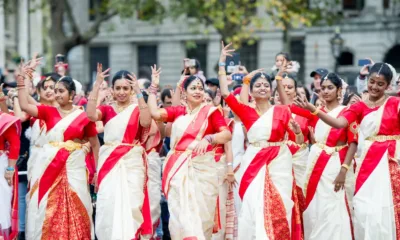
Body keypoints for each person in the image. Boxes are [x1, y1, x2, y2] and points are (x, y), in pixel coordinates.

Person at [295, 63, 400, 239]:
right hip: (367, 164)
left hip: (389, 163)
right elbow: (339, 123)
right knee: (364, 210)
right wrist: (313, 109)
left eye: (380, 84)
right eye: (372, 81)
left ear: (388, 85)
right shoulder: (358, 106)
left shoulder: (395, 104)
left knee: (387, 209)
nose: (374, 87)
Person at [218, 42, 303, 239]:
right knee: (254, 204)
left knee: (279, 205)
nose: (263, 88)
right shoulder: (245, 111)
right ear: (252, 89)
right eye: (258, 85)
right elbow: (225, 93)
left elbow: (297, 140)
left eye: (266, 85)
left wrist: (298, 132)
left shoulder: (281, 110)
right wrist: (222, 63)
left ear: (271, 89)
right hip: (254, 161)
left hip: (279, 163)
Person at [147, 64, 232, 239]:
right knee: (179, 217)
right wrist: (154, 87)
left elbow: (226, 134)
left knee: (201, 217)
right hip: (177, 170)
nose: (198, 91)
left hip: (202, 170)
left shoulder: (211, 112)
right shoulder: (178, 112)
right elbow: (154, 113)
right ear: (184, 92)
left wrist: (209, 138)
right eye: (193, 88)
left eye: (200, 88)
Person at [17, 62, 100, 239]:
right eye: (56, 91)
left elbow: (94, 144)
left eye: (61, 91)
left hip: (74, 170)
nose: (56, 94)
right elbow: (24, 105)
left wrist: (98, 171)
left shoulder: (83, 116)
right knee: (48, 208)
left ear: (71, 95)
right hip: (49, 169)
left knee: (78, 205)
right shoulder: (48, 112)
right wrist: (21, 79)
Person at [86, 64, 153, 240]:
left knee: (131, 206)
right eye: (118, 88)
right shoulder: (107, 110)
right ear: (112, 90)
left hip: (132, 163)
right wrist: (96, 86)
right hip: (109, 163)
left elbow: (146, 123)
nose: (122, 92)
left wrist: (139, 93)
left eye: (126, 88)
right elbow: (90, 116)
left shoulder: (138, 108)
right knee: (108, 205)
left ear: (131, 90)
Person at [289, 73, 357, 240]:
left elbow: (353, 142)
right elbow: (287, 104)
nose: (326, 91)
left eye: (330, 88)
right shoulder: (316, 113)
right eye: (323, 88)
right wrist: (280, 79)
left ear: (339, 90)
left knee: (335, 207)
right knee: (315, 207)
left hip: (337, 163)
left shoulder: (347, 112)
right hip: (316, 163)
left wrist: (344, 169)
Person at [25, 73, 59, 240]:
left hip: (55, 160)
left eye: (53, 88)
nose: (49, 91)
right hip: (37, 161)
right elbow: (25, 103)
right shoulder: (41, 110)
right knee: (35, 197)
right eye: (45, 88)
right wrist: (24, 78)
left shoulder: (62, 113)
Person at [0, 111, 21, 240]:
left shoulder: (4, 120)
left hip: (1, 166)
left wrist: (10, 169)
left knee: (1, 204)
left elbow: (15, 144)